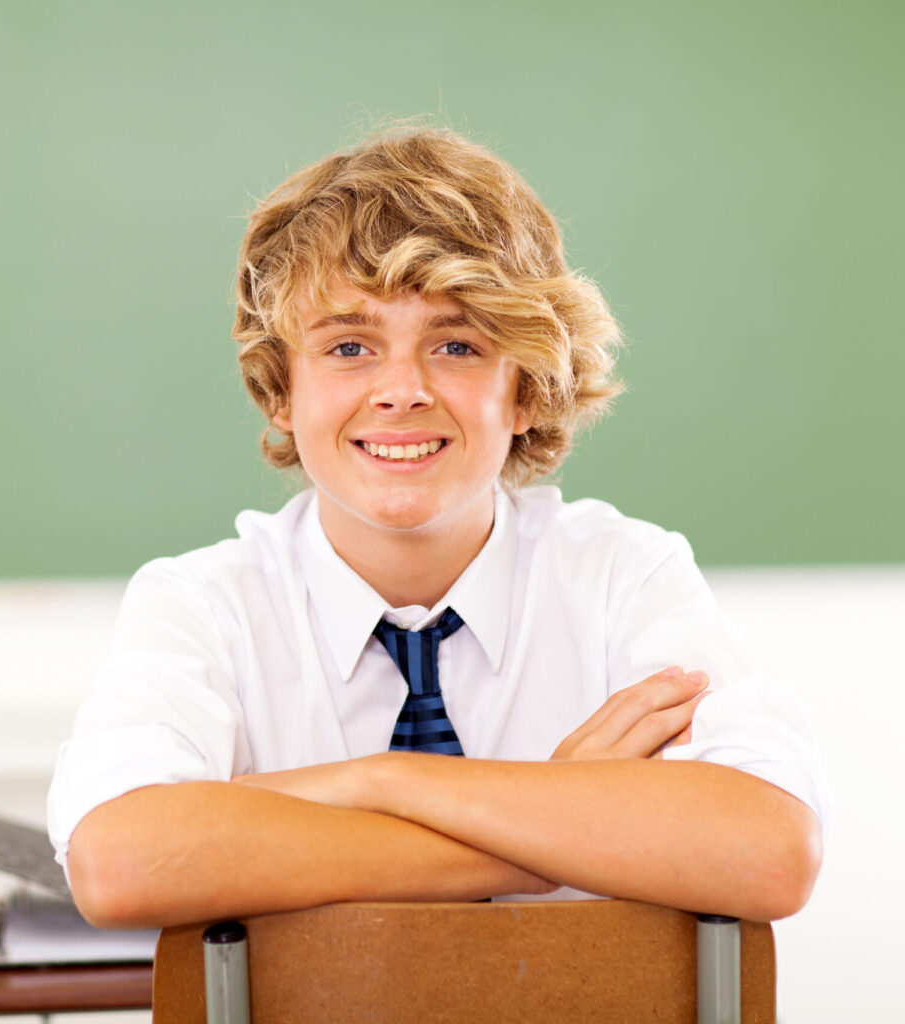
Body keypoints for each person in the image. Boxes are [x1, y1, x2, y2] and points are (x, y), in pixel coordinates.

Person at [48, 127, 826, 929]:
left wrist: (378, 783)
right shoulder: (206, 606)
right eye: (349, 346)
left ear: (526, 389)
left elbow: (767, 850)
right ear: (279, 390)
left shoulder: (622, 578)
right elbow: (120, 862)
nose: (401, 390)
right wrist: (554, 812)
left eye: (456, 344)